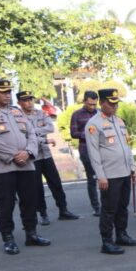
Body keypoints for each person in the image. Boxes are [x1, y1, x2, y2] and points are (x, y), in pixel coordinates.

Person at [0, 78, 50, 255]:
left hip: (26, 165)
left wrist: (28, 153)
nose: (7, 94)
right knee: (6, 203)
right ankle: (8, 238)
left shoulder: (17, 112)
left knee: (29, 201)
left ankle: (31, 234)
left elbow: (32, 134)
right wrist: (13, 155)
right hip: (3, 167)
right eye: (3, 91)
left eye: (9, 91)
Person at [84, 88, 136, 255]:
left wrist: (133, 168)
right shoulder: (94, 124)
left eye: (116, 103)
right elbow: (93, 153)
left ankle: (121, 234)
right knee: (109, 209)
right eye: (111, 103)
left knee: (122, 206)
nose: (114, 106)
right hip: (109, 175)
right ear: (102, 103)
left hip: (124, 172)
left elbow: (127, 146)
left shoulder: (119, 121)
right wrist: (101, 176)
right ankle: (107, 241)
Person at [17, 91, 79, 224]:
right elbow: (23, 137)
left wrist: (33, 133)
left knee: (56, 183)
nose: (30, 103)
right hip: (33, 157)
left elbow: (50, 128)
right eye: (26, 100)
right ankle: (43, 213)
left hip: (46, 154)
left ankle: (63, 210)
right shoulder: (17, 117)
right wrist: (43, 140)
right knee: (37, 187)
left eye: (31, 99)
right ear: (19, 103)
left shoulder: (41, 113)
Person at [70, 90, 101, 216]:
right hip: (86, 150)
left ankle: (108, 203)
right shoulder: (76, 114)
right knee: (92, 178)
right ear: (84, 101)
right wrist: (87, 134)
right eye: (90, 104)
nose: (92, 107)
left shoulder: (100, 113)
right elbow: (73, 133)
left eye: (94, 104)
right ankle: (96, 207)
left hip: (101, 149)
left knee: (105, 177)